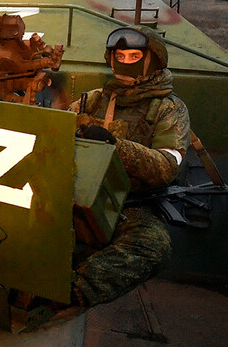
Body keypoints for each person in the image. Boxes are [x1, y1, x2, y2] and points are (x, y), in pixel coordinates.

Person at [67, 25, 190, 308]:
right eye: (119, 56)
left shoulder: (168, 109)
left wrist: (115, 146)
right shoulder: (92, 100)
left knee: (152, 245)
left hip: (128, 203)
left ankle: (71, 292)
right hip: (76, 192)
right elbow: (53, 132)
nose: (124, 62)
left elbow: (167, 167)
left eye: (134, 56)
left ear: (152, 61)